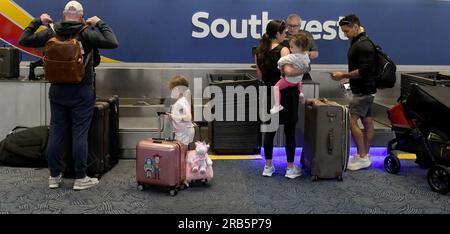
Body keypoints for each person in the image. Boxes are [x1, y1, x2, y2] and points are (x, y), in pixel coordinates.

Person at [19, 1, 119, 190]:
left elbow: (24, 39)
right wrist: (99, 23)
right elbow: (113, 42)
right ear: (81, 15)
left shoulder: (51, 31)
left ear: (64, 14)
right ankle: (81, 178)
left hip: (57, 90)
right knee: (79, 134)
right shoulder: (86, 33)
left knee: (56, 132)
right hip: (82, 91)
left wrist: (37, 21)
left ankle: (54, 176)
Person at [255, 19, 304, 179]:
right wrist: (304, 69)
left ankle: (268, 166)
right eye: (284, 33)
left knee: (269, 131)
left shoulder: (259, 51)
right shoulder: (283, 50)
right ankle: (290, 168)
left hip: (268, 93)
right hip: (287, 95)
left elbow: (260, 75)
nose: (286, 35)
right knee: (290, 131)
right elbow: (288, 73)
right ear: (277, 34)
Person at [330, 14, 377, 171]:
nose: (345, 34)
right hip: (366, 89)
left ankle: (363, 156)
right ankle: (365, 154)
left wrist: (342, 75)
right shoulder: (361, 41)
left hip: (362, 91)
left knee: (351, 121)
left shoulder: (363, 45)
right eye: (343, 31)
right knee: (367, 121)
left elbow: (364, 70)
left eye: (347, 31)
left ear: (356, 27)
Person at [270, 33, 310, 114]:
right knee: (298, 79)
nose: (290, 49)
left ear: (300, 47)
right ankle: (300, 92)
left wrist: (280, 67)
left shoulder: (292, 57)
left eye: (292, 47)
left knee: (275, 88)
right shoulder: (306, 56)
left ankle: (277, 105)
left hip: (289, 81)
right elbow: (306, 66)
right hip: (298, 80)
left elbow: (281, 61)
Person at [283, 14, 319, 81]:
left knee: (310, 90)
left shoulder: (307, 35)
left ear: (299, 26)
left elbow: (316, 53)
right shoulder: (283, 36)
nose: (292, 28)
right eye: (290, 25)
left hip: (303, 73)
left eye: (294, 26)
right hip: (286, 73)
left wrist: (306, 54)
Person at [167, 75, 195, 146]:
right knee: (182, 152)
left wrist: (174, 116)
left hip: (184, 133)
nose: (170, 92)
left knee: (181, 153)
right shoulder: (181, 101)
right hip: (183, 131)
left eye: (172, 90)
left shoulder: (182, 102)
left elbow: (188, 117)